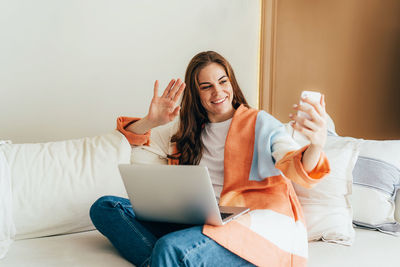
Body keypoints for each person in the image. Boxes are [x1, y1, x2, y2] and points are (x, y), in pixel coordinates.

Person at [90, 51, 330, 267]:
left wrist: (316, 144)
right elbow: (129, 140)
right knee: (105, 207)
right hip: (200, 219)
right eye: (206, 86)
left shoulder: (261, 123)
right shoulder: (184, 132)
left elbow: (295, 165)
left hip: (254, 225)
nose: (218, 92)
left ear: (231, 83)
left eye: (223, 81)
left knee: (169, 247)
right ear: (196, 94)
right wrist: (152, 121)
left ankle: (167, 260)